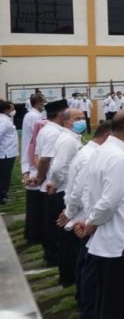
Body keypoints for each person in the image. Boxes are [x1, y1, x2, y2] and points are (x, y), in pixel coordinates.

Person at [74, 110, 124, 319]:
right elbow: (109, 201)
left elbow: (89, 190)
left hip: (111, 236)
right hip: (119, 240)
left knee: (108, 296)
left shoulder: (103, 150)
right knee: (117, 300)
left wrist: (90, 219)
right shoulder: (117, 157)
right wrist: (90, 222)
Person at [63, 121, 111, 317]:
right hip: (87, 218)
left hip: (85, 216)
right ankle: (88, 306)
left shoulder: (88, 151)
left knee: (85, 262)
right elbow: (80, 190)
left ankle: (84, 299)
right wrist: (70, 212)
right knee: (89, 266)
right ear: (108, 136)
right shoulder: (92, 155)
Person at [46, 107, 86, 287]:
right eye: (78, 118)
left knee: (69, 237)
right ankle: (69, 276)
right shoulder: (68, 141)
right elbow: (57, 167)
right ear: (67, 121)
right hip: (64, 192)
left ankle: (69, 275)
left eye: (83, 117)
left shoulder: (72, 138)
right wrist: (55, 184)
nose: (82, 121)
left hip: (67, 190)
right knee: (69, 236)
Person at [31, 99, 69, 267]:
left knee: (52, 222)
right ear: (61, 113)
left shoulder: (47, 130)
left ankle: (52, 254)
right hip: (55, 185)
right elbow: (45, 158)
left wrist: (40, 175)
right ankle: (54, 256)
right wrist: (41, 176)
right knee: (56, 224)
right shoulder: (55, 133)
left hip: (50, 183)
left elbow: (37, 155)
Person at [21, 93, 46, 243]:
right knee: (36, 204)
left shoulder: (33, 114)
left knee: (34, 204)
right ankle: (35, 234)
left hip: (32, 154)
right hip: (33, 156)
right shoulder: (34, 116)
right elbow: (37, 135)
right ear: (37, 101)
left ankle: (33, 233)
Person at [0, 101, 19, 205]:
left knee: (4, 175)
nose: (13, 110)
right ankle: (2, 196)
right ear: (6, 109)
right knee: (4, 176)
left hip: (7, 152)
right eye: (12, 108)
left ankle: (4, 193)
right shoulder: (4, 121)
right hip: (6, 153)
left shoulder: (5, 119)